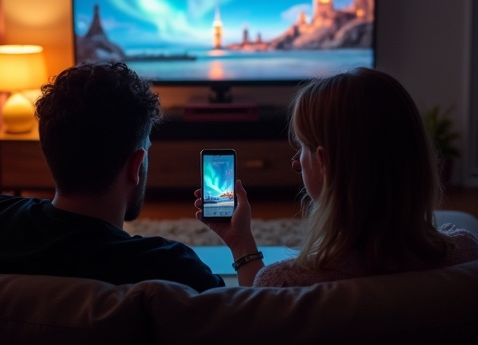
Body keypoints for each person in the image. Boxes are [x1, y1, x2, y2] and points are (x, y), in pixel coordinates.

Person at [195, 67, 478, 286]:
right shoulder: (465, 252)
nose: (296, 162)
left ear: (324, 161)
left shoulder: (286, 282)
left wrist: (242, 243)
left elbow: (257, 311)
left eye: (303, 147)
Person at [0, 61, 224, 292]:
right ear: (136, 165)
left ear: (50, 148)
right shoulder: (172, 268)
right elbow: (243, 315)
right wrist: (242, 244)